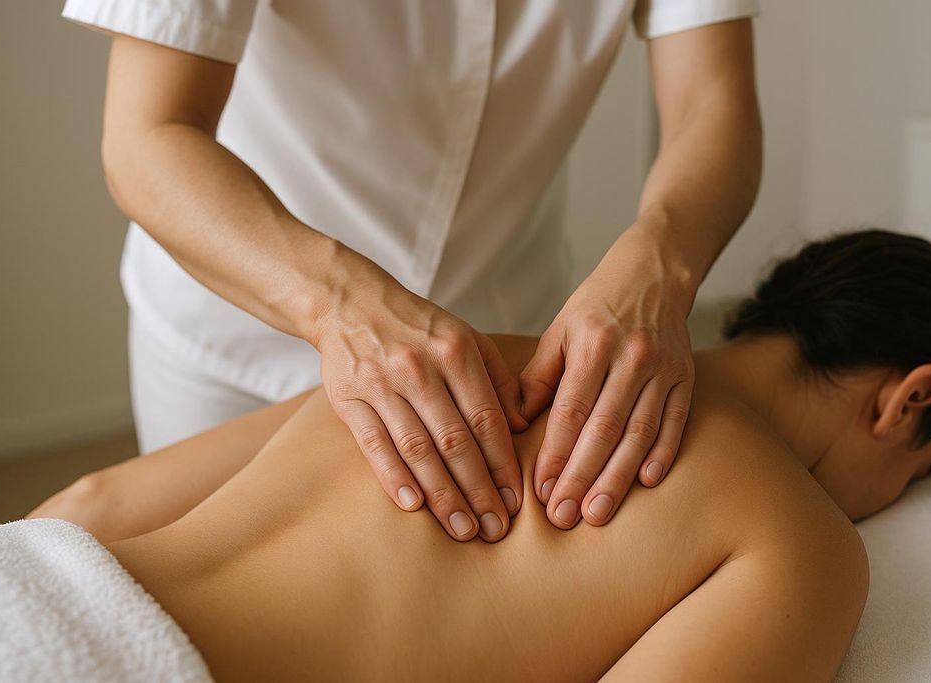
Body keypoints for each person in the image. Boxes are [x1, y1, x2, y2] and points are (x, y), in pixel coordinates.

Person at [29, 230, 931, 680]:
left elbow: (93, 500)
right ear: (907, 399)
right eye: (921, 470)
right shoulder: (800, 542)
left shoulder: (455, 355)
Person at [61, 0, 763, 540]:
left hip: (505, 333)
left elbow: (712, 104)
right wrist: (337, 305)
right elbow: (148, 136)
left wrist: (660, 266)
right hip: (240, 318)